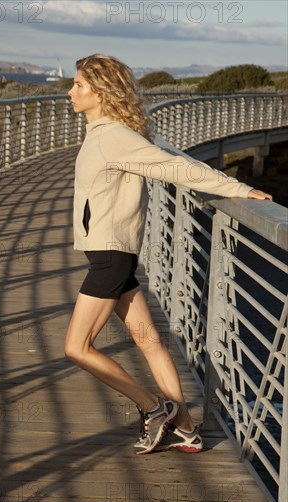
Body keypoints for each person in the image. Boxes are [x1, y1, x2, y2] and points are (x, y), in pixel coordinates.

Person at [65, 53, 273, 455]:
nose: (69, 91)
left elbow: (175, 167)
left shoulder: (113, 137)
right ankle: (187, 429)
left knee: (77, 347)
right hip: (112, 256)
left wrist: (236, 188)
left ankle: (153, 406)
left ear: (101, 93)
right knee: (149, 341)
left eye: (78, 85)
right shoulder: (103, 132)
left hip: (111, 256)